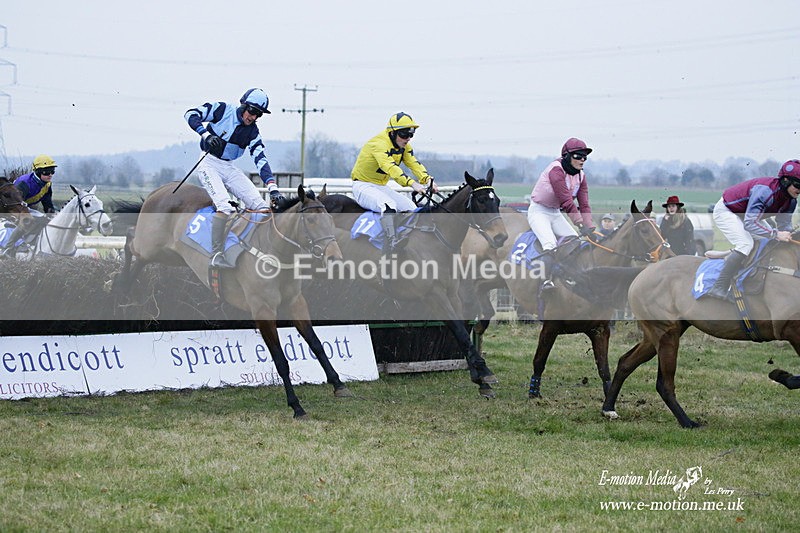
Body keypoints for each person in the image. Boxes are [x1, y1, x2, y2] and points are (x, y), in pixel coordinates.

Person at [184, 88, 281, 269]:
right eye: (252, 111)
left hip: (228, 167)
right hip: (208, 163)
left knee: (261, 208)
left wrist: (273, 188)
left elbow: (260, 159)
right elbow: (190, 114)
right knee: (225, 207)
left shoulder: (252, 132)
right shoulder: (222, 110)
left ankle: (253, 249)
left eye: (258, 114)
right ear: (243, 105)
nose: (253, 117)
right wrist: (206, 134)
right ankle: (216, 254)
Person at [705, 159, 800, 299]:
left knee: (769, 242)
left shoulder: (791, 201)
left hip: (746, 215)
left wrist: (790, 235)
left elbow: (784, 225)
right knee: (746, 244)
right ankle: (719, 287)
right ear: (785, 181)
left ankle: (744, 268)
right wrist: (775, 234)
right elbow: (749, 224)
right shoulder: (766, 192)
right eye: (798, 184)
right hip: (727, 210)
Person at [351, 112, 438, 254]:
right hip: (362, 185)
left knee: (411, 207)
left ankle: (407, 238)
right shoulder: (378, 144)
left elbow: (414, 164)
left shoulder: (405, 147)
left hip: (380, 186)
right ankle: (391, 243)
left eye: (411, 135)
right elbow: (391, 168)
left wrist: (427, 180)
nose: (408, 139)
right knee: (388, 205)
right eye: (404, 135)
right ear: (392, 133)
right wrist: (412, 184)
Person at [528, 137, 596, 289]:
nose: (582, 160)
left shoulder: (581, 176)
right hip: (539, 211)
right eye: (578, 156)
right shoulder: (555, 170)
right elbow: (566, 201)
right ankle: (545, 281)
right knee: (550, 244)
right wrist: (579, 223)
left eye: (584, 157)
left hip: (555, 213)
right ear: (567, 156)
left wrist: (589, 226)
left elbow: (584, 204)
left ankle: (565, 274)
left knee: (574, 241)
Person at [1, 155, 57, 259]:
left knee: (46, 219)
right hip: (14, 209)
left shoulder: (47, 184)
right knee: (30, 220)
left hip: (25, 207)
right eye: (47, 171)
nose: (50, 174)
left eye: (52, 171)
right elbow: (16, 203)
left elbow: (47, 205)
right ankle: (8, 248)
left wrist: (52, 214)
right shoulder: (24, 183)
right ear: (38, 171)